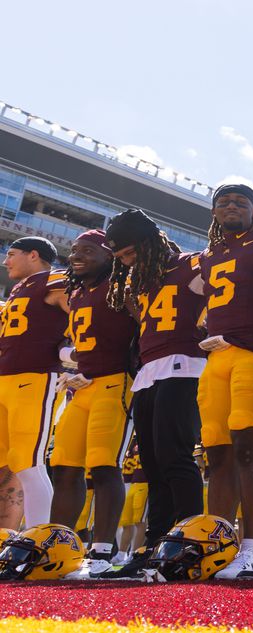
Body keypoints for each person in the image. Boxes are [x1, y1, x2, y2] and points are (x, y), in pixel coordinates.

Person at [101, 210, 206, 580]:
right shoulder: (139, 279)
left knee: (175, 456)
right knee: (153, 464)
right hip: (149, 370)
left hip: (185, 362)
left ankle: (191, 540)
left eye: (129, 253)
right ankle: (156, 543)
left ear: (147, 244)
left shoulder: (193, 264)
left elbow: (229, 295)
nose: (125, 262)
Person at [196, 183, 253, 578]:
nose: (231, 207)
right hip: (216, 357)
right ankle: (218, 538)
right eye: (223, 202)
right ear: (214, 212)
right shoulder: (210, 254)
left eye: (240, 202)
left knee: (249, 446)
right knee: (216, 452)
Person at [49, 230, 137, 577]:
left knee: (104, 465)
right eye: (73, 250)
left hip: (115, 382)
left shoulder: (122, 286)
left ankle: (102, 550)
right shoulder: (78, 291)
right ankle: (58, 542)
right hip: (81, 387)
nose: (77, 255)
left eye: (87, 250)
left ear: (108, 255)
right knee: (65, 466)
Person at [1, 237, 68, 529]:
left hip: (35, 377)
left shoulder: (53, 280)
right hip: (6, 378)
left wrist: (73, 350)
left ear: (33, 255)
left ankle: (39, 538)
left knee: (28, 463)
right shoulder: (19, 289)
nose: (6, 261)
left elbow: (84, 313)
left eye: (11, 254)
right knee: (9, 462)